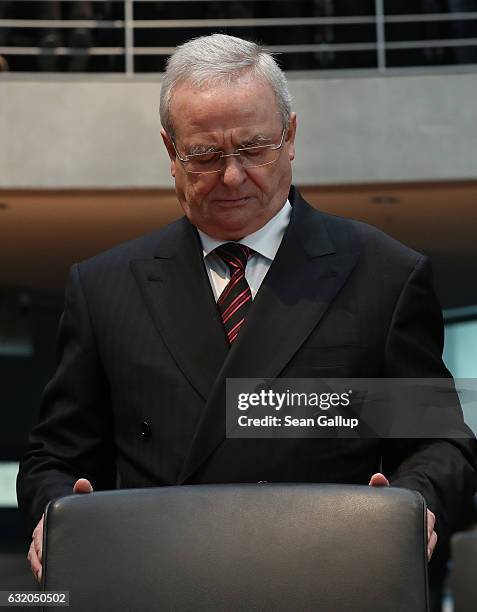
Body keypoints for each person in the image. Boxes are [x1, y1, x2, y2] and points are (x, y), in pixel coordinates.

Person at [17, 33, 476, 608]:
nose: (231, 176)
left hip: (328, 579)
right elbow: (53, 459)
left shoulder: (383, 274)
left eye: (253, 148)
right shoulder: (106, 286)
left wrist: (411, 508)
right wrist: (55, 512)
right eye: (205, 155)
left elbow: (439, 445)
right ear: (170, 151)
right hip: (156, 583)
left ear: (290, 137)